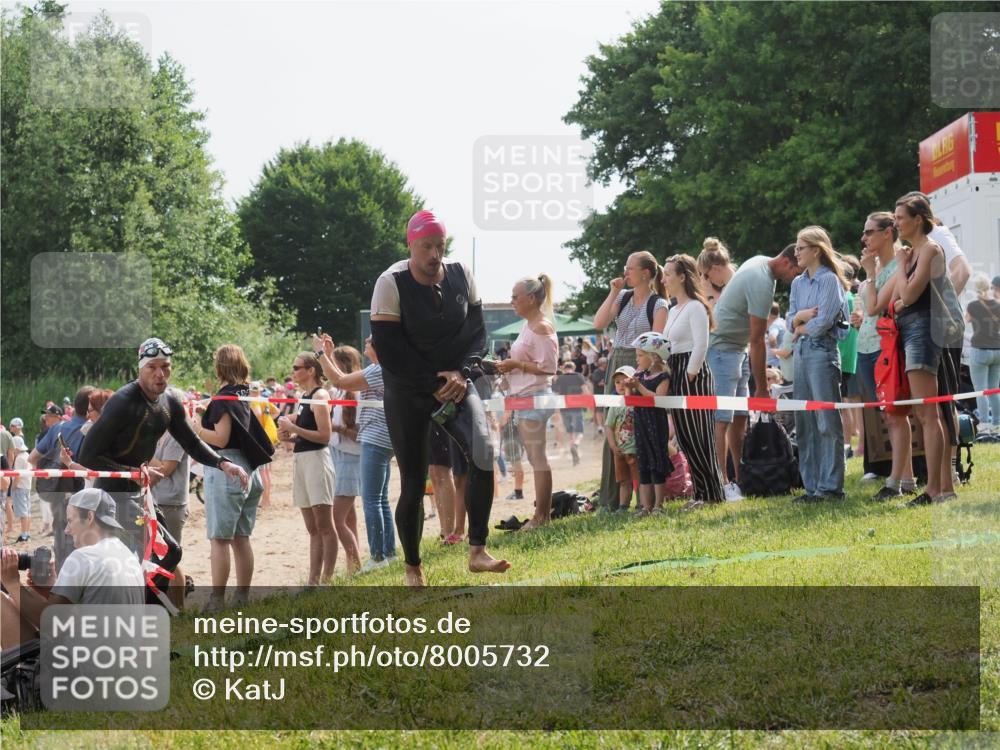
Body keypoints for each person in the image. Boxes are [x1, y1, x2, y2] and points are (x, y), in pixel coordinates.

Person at [370, 209, 509, 585]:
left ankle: (477, 549)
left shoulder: (462, 274)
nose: (434, 254)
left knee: (483, 451)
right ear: (410, 246)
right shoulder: (391, 283)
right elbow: (389, 350)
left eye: (439, 246)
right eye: (426, 246)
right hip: (409, 389)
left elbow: (478, 334)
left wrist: (463, 374)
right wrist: (434, 382)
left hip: (456, 381)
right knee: (415, 484)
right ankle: (413, 566)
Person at [77, 338, 249, 605]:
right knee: (148, 557)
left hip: (139, 490)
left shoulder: (169, 402)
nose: (160, 374)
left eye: (165, 367)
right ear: (141, 369)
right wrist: (133, 472)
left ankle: (149, 610)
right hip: (113, 495)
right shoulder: (123, 401)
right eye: (152, 367)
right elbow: (87, 455)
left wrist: (222, 463)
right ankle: (144, 614)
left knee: (168, 553)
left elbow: (191, 441)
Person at [707, 244, 802, 500]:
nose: (796, 277)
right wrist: (761, 389)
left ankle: (741, 478)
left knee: (739, 418)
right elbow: (758, 340)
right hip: (721, 349)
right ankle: (722, 484)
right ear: (786, 262)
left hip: (734, 349)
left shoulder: (760, 259)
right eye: (797, 270)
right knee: (722, 419)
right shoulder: (761, 280)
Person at [1, 488, 145, 648]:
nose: (66, 530)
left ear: (90, 517)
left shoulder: (84, 557)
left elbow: (52, 625)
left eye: (70, 521)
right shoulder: (128, 555)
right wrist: (55, 588)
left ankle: (19, 671)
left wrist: (12, 582)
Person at [892, 194, 960, 505]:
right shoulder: (917, 251)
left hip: (924, 331)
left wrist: (902, 265)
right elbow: (898, 299)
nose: (896, 222)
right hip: (915, 330)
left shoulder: (930, 249)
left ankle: (934, 489)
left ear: (918, 219)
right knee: (927, 412)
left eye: (900, 217)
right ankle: (942, 488)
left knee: (929, 413)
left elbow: (907, 294)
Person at [592, 251, 668, 509]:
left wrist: (641, 375)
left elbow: (656, 345)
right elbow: (599, 322)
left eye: (629, 268)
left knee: (637, 431)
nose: (625, 272)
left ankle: (641, 501)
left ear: (645, 273)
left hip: (639, 366)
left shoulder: (658, 304)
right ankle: (610, 499)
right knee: (613, 428)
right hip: (617, 363)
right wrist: (613, 292)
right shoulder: (623, 297)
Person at [316, 334, 396, 573]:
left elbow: (341, 381)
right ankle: (388, 553)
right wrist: (329, 356)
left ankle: (378, 556)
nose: (366, 341)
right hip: (379, 437)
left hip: (373, 438)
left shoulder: (378, 369)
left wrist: (321, 355)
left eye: (371, 339)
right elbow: (341, 380)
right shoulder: (382, 368)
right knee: (380, 499)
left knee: (371, 500)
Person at [787, 226, 849, 502]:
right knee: (804, 421)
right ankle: (811, 487)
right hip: (800, 353)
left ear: (816, 250)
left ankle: (830, 487)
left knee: (826, 421)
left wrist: (801, 327)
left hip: (822, 352)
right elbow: (791, 319)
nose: (796, 252)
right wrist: (799, 318)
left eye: (801, 247)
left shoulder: (829, 281)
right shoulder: (797, 283)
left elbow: (824, 322)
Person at [857, 211, 916, 499]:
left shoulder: (897, 266)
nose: (864, 238)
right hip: (864, 347)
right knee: (885, 415)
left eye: (869, 232)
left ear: (887, 233)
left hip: (886, 347)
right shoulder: (877, 267)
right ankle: (906, 479)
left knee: (895, 414)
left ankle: (895, 481)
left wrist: (868, 275)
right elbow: (865, 310)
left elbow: (876, 307)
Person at [494, 275, 559, 529]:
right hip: (526, 398)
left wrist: (516, 365)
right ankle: (542, 514)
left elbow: (549, 367)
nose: (511, 302)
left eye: (515, 296)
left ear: (531, 298)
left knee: (537, 458)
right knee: (536, 458)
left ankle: (542, 516)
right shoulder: (529, 325)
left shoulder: (541, 326)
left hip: (535, 399)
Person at [661, 254, 726, 506]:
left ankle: (712, 493)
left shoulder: (696, 307)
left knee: (699, 435)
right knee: (686, 438)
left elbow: (701, 344)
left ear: (682, 276)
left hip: (692, 373)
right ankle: (701, 492)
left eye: (668, 274)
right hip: (675, 370)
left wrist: (690, 373)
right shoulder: (673, 309)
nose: (664, 279)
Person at [277, 352, 337, 585]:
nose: (293, 371)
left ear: (311, 370)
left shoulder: (320, 395)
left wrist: (294, 428)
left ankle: (327, 580)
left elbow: (325, 435)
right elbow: (307, 437)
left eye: (297, 367)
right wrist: (289, 437)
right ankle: (313, 580)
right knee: (313, 527)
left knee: (324, 525)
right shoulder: (304, 397)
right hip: (303, 459)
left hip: (317, 461)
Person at [28, 388, 94, 568]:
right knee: (86, 547)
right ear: (90, 406)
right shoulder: (93, 430)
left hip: (59, 496)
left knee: (61, 543)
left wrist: (48, 480)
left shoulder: (58, 428)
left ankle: (62, 586)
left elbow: (32, 457)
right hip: (86, 498)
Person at [622, 332, 673, 513]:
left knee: (656, 463)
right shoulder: (640, 374)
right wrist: (629, 388)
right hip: (641, 424)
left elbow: (658, 399)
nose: (637, 359)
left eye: (640, 355)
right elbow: (630, 399)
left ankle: (659, 505)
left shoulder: (663, 377)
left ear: (653, 357)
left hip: (656, 425)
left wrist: (639, 387)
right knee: (643, 464)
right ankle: (646, 506)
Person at [325, 345, 363, 573]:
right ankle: (353, 564)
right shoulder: (338, 392)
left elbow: (359, 434)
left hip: (350, 456)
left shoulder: (355, 393)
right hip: (338, 454)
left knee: (336, 517)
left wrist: (337, 428)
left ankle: (355, 563)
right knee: (349, 515)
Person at [966, 273, 1000, 436]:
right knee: (994, 389)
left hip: (979, 350)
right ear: (989, 288)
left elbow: (966, 320)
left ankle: (985, 424)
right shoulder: (999, 305)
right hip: (997, 351)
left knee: (981, 390)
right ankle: (997, 423)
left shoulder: (973, 305)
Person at [148, 421, 190, 546]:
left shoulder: (176, 436)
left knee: (170, 557)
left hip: (171, 505)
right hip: (154, 500)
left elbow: (165, 469)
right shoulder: (155, 433)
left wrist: (141, 453)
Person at [605, 365, 639, 511]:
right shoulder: (615, 404)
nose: (620, 385)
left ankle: (642, 505)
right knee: (624, 481)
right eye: (617, 382)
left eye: (623, 381)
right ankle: (623, 507)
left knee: (639, 480)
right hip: (620, 451)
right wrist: (613, 446)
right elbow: (609, 426)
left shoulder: (638, 403)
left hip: (636, 450)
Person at [248, 381, 279, 508]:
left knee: (262, 471)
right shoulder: (264, 399)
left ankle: (265, 501)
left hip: (261, 438)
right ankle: (266, 500)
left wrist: (256, 431)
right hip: (269, 436)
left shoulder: (253, 400)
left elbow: (257, 415)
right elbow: (276, 411)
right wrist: (269, 420)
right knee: (265, 471)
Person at [553, 361, 587, 466]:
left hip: (564, 408)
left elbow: (556, 394)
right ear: (574, 367)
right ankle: (576, 445)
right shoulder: (579, 376)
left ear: (564, 369)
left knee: (570, 431)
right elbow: (585, 391)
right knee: (580, 431)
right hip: (577, 407)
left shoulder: (560, 378)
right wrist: (588, 403)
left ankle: (574, 456)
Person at [696, 237, 738, 310]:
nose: (708, 280)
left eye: (706, 275)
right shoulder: (729, 287)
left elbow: (717, 319)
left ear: (715, 268)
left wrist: (709, 295)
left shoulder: (734, 288)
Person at [10, 437, 32, 542]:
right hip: (27, 486)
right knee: (27, 511)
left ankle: (23, 535)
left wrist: (13, 487)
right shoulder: (27, 455)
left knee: (23, 513)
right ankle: (27, 533)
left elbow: (18, 475)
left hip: (20, 487)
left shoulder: (19, 458)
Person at [589, 357, 608, 435]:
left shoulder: (607, 372)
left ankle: (604, 425)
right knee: (599, 411)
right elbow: (598, 383)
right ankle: (600, 426)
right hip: (599, 394)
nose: (607, 364)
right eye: (606, 363)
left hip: (606, 394)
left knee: (605, 410)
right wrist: (604, 383)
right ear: (602, 364)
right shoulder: (596, 372)